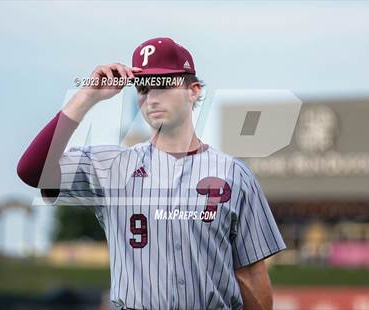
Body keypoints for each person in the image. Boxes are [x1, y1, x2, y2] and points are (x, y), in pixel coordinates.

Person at [17, 37, 286, 310]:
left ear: (193, 90)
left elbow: (252, 276)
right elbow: (31, 171)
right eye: (143, 87)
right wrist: (86, 96)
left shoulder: (234, 174)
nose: (151, 97)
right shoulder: (112, 166)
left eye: (163, 84)